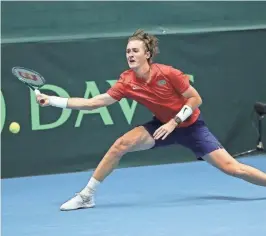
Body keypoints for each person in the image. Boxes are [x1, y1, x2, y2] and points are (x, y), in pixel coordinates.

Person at [36, 29, 266, 211]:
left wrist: (174, 122)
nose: (130, 55)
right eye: (127, 51)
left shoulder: (169, 73)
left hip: (191, 127)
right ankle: (86, 196)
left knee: (232, 168)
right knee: (120, 145)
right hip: (161, 126)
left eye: (135, 50)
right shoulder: (126, 81)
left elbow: (196, 99)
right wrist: (53, 100)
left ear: (147, 54)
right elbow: (94, 102)